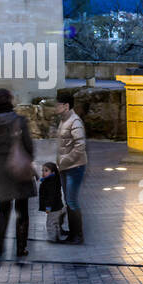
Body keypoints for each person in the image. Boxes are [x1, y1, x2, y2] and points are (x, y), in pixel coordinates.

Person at [0, 88, 34, 261]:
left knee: (3, 209)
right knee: (22, 210)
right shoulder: (19, 121)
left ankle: (0, 247)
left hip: (0, 168)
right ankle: (20, 249)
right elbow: (29, 146)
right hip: (19, 167)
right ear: (10, 101)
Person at [53, 88, 87, 244]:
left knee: (72, 200)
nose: (55, 107)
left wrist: (65, 160)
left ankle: (78, 235)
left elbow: (80, 146)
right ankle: (72, 233)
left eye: (57, 105)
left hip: (75, 167)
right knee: (68, 200)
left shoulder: (75, 121)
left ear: (66, 106)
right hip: (65, 167)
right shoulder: (64, 119)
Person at [38, 162, 65, 242]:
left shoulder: (50, 183)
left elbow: (51, 197)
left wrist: (48, 207)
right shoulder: (52, 180)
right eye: (42, 170)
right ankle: (56, 236)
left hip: (53, 208)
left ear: (53, 172)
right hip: (57, 206)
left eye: (46, 171)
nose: (43, 172)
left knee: (50, 223)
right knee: (55, 222)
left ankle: (52, 238)